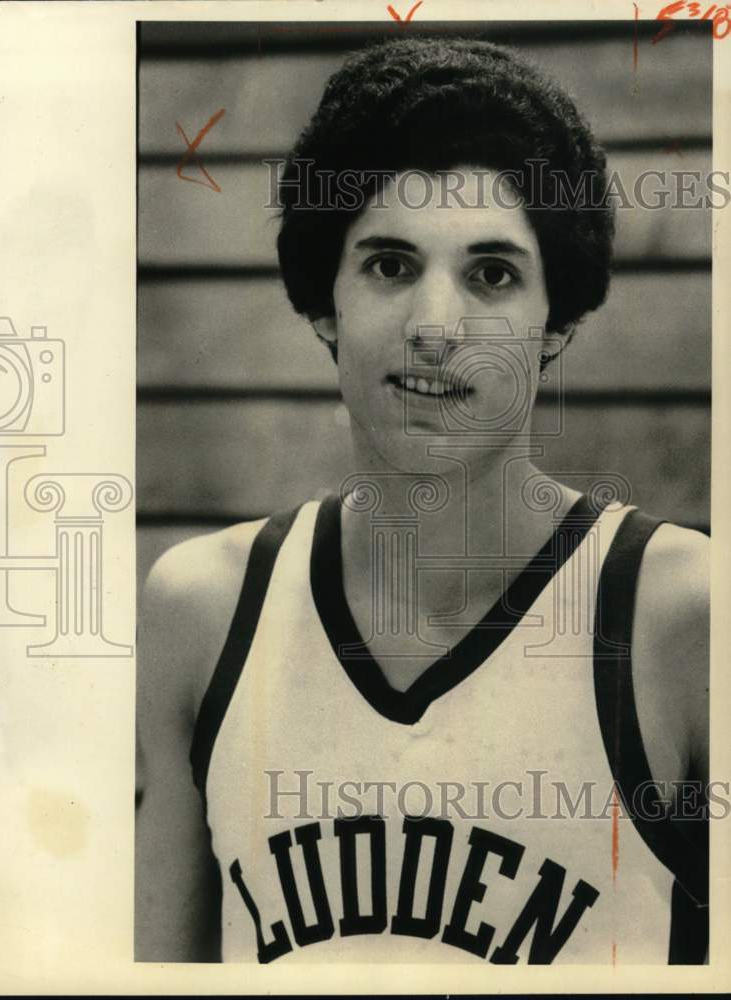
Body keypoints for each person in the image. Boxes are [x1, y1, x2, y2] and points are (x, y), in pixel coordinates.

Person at [135, 35, 709, 965]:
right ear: (325, 301)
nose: (436, 327)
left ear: (555, 320)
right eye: (390, 265)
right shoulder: (205, 611)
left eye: (492, 274)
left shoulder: (679, 617)